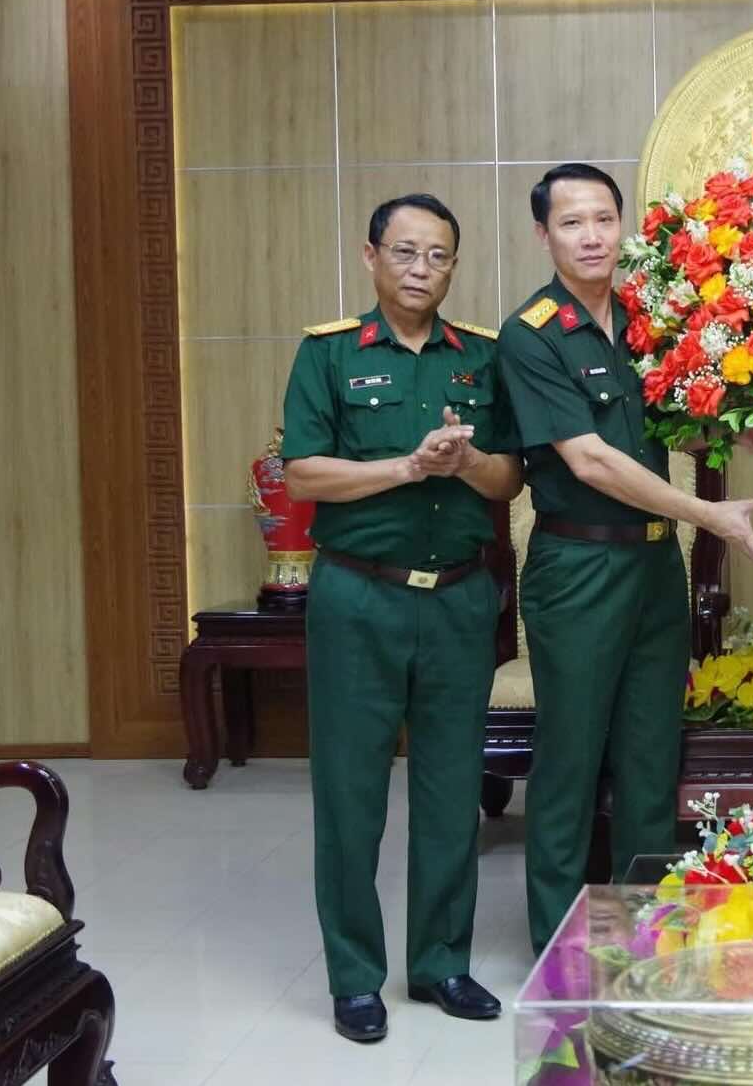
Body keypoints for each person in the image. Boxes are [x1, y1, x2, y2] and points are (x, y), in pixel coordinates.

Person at [496, 163, 753, 954]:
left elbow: (691, 419)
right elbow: (592, 462)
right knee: (571, 759)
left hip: (655, 569)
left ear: (624, 226)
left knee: (652, 757)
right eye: (572, 222)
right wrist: (706, 513)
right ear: (543, 234)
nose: (591, 235)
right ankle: (559, 939)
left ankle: (649, 930)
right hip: (580, 569)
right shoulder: (532, 332)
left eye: (604, 219)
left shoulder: (649, 319)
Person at [281, 193, 524, 1041]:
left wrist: (464, 464)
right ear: (372, 256)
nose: (422, 270)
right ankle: (355, 976)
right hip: (358, 595)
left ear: (454, 266)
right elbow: (304, 475)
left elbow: (507, 483)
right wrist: (406, 467)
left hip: (459, 595)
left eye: (439, 256)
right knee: (350, 791)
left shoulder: (481, 358)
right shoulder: (330, 353)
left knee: (452, 788)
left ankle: (441, 964)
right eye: (407, 252)